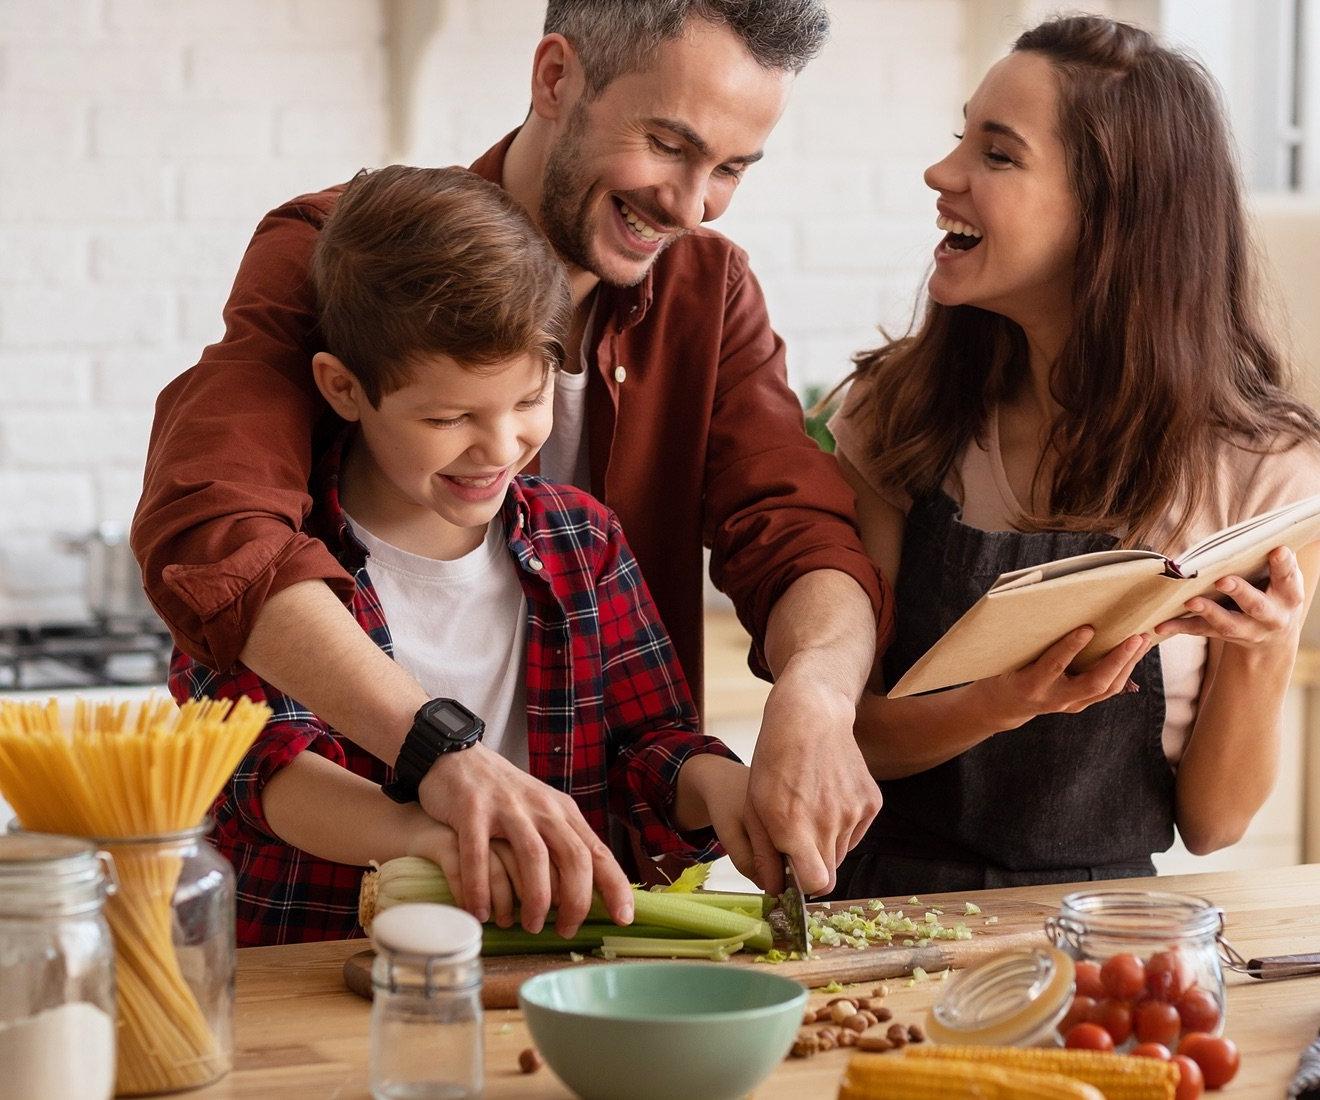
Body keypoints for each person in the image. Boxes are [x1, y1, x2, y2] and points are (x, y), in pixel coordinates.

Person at [133, 0, 889, 930]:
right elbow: (219, 528)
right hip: (318, 929)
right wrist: (440, 760)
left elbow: (797, 533)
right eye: (667, 144)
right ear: (557, 79)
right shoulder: (342, 255)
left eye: (729, 169)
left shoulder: (706, 293)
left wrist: (816, 695)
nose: (691, 207)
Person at [170, 164, 752, 946]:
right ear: (344, 389)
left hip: (535, 975)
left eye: (528, 399)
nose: (501, 446)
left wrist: (723, 788)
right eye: (448, 417)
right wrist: (427, 839)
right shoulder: (277, 561)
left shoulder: (584, 541)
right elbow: (255, 768)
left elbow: (651, 749)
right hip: (310, 966)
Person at [827, 15, 1320, 898]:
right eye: (959, 139)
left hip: (1110, 926)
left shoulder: (1265, 472)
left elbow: (1214, 825)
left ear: (1113, 210)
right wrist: (1005, 701)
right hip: (884, 908)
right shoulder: (899, 415)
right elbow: (849, 737)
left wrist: (1266, 647)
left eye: (998, 154)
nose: (942, 176)